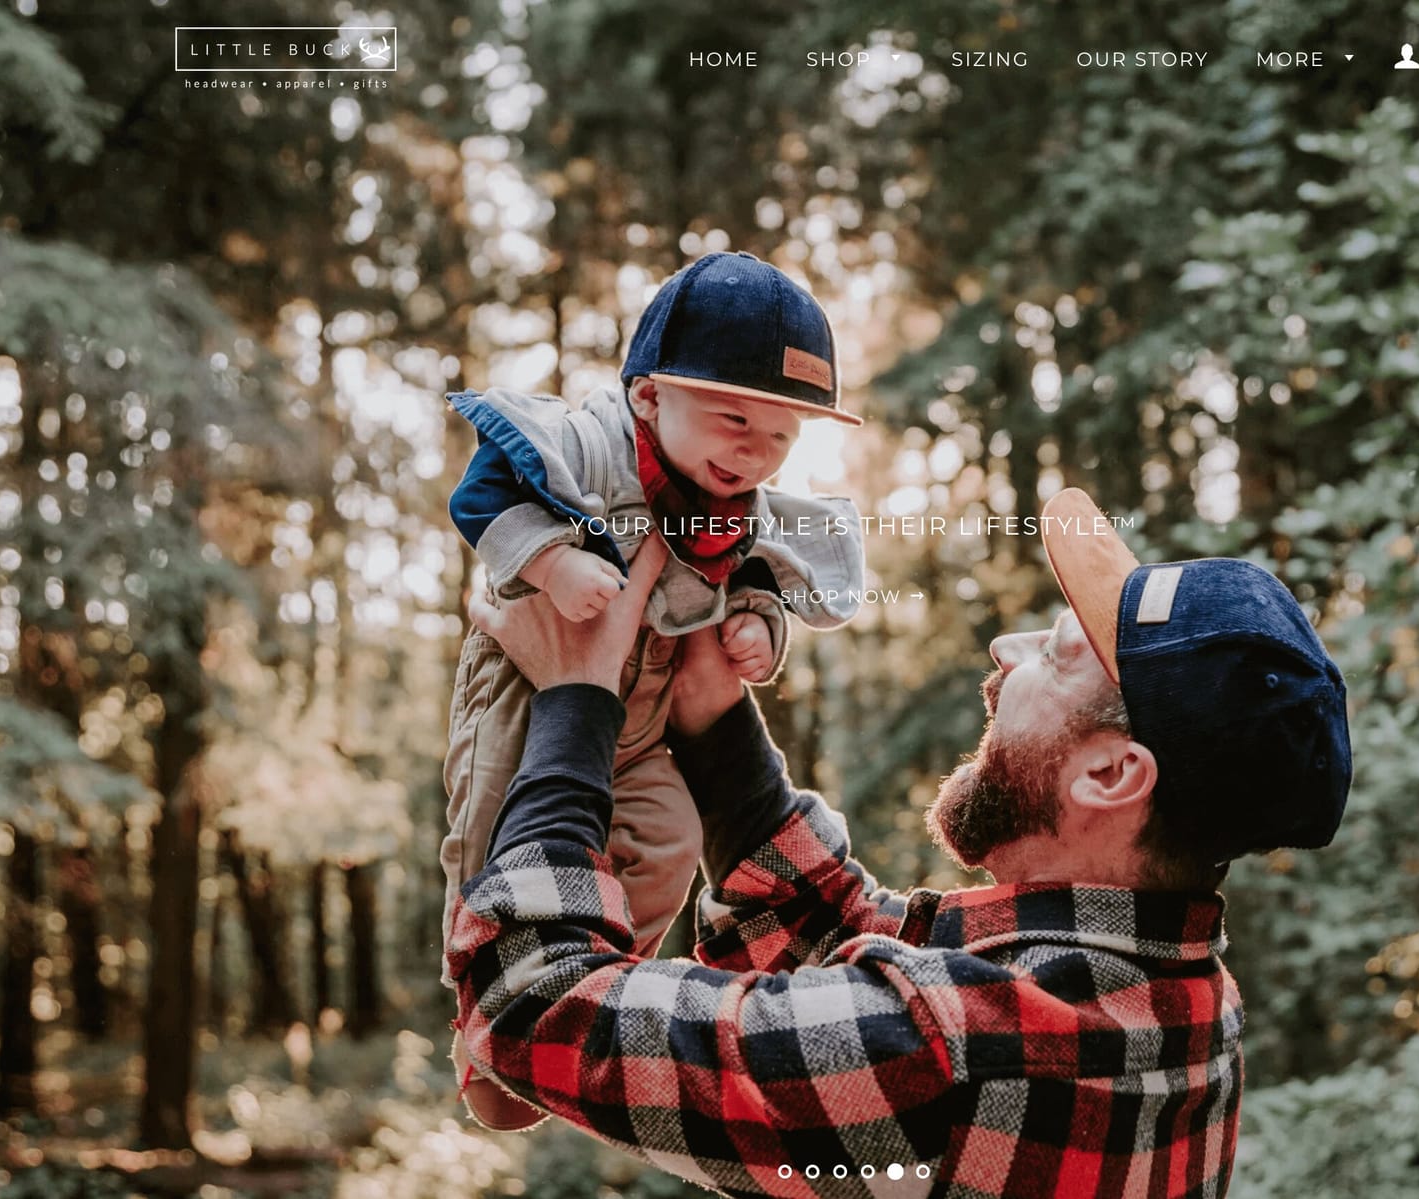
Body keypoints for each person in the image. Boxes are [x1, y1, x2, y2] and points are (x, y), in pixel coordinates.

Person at [447, 486, 1353, 1196]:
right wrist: (716, 722)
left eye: (1058, 653)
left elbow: (530, 1000)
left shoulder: (962, 1056)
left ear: (1112, 775)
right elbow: (851, 945)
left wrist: (577, 701)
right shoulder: (1183, 996)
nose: (1007, 647)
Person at [439, 251, 866, 1131]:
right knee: (490, 825)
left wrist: (758, 626)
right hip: (529, 684)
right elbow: (480, 493)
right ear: (647, 396)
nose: (753, 449)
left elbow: (755, 578)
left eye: (781, 434)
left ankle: (589, 983)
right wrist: (553, 564)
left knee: (672, 840)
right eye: (732, 417)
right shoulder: (589, 445)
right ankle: (482, 998)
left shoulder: (741, 501)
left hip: (645, 717)